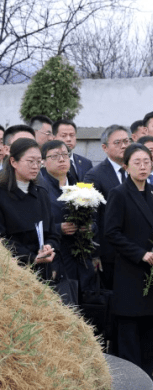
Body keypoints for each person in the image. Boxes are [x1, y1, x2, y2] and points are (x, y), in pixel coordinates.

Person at [104, 143, 153, 389]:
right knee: (131, 325)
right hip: (131, 270)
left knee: (151, 324)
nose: (143, 167)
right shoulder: (119, 193)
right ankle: (132, 378)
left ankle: (148, 373)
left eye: (146, 161)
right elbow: (111, 232)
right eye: (137, 162)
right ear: (126, 166)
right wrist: (139, 253)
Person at [40, 139, 96, 291]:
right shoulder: (41, 189)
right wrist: (59, 228)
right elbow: (37, 225)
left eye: (65, 154)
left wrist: (90, 227)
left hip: (82, 258)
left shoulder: (79, 186)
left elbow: (95, 219)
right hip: (58, 258)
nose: (61, 159)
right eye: (54, 156)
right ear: (43, 162)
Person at [0, 138, 58, 279]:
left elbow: (53, 233)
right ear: (13, 162)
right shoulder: (2, 195)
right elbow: (2, 240)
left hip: (43, 271)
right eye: (30, 161)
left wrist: (49, 247)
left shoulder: (41, 193)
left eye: (39, 162)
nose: (35, 166)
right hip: (13, 272)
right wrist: (31, 257)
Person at [84, 125, 132, 290]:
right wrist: (94, 253)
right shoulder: (94, 175)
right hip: (109, 253)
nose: (124, 146)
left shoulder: (135, 170)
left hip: (134, 249)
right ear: (105, 148)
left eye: (127, 141)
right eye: (118, 142)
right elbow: (90, 217)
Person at [53, 119, 92, 183]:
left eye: (71, 135)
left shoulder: (86, 163)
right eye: (64, 136)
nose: (68, 139)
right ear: (54, 138)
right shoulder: (48, 162)